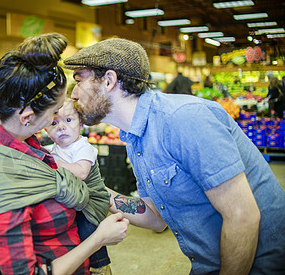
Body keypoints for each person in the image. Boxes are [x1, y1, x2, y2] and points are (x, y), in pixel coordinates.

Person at [63, 37, 285, 274]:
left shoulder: (184, 119)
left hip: (260, 264)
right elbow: (156, 218)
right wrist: (91, 190)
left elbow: (243, 216)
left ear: (109, 80)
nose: (73, 94)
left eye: (79, 81)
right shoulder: (134, 136)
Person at [0, 33, 129, 275]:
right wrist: (98, 239)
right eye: (54, 113)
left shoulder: (18, 139)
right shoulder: (1, 181)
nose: (56, 121)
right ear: (27, 116)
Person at [44, 99, 111, 275]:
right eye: (54, 123)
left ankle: (100, 264)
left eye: (68, 120)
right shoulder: (54, 149)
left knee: (85, 226)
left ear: (80, 124)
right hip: (75, 197)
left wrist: (52, 163)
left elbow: (81, 172)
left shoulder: (82, 146)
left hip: (92, 200)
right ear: (45, 129)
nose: (61, 127)